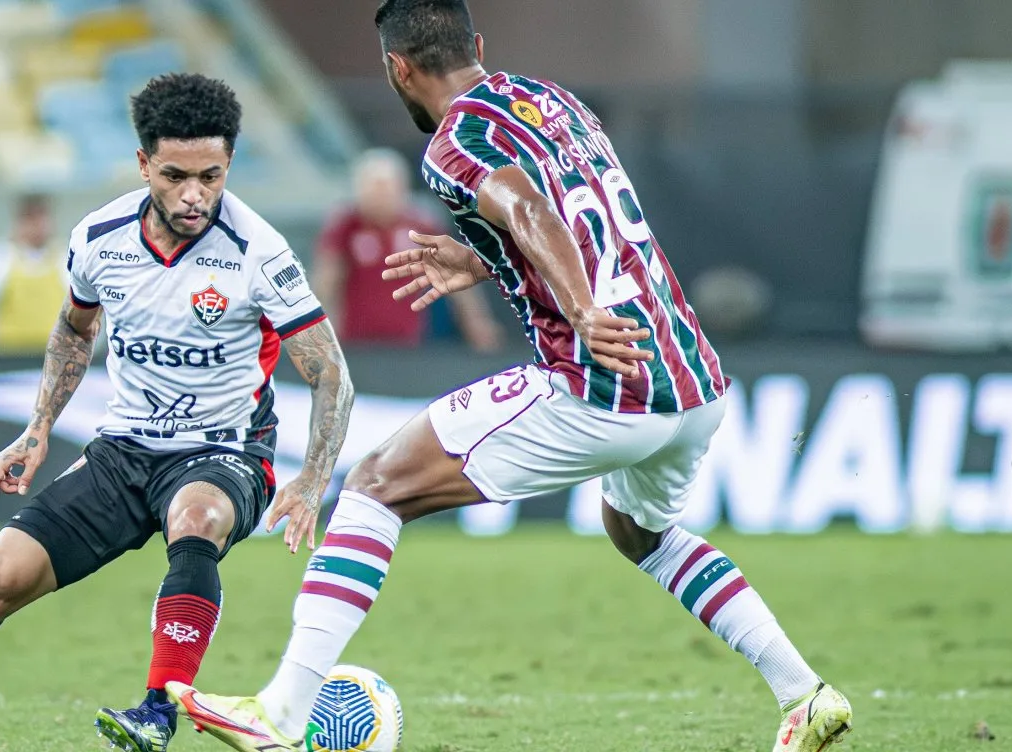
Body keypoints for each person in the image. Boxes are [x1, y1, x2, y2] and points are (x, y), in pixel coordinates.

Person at [169, 3, 853, 752]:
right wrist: (480, 257)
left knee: (375, 485)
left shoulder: (454, 142)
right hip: (691, 379)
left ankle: (282, 711)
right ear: (479, 47)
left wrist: (583, 309)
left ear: (398, 69)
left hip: (601, 381)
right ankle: (805, 693)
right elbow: (581, 214)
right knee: (640, 533)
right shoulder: (552, 99)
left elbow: (527, 207)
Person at [0, 73, 354, 752]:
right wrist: (39, 427)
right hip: (122, 453)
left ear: (229, 165)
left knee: (195, 520)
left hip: (224, 452)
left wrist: (311, 478)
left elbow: (330, 370)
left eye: (212, 175)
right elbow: (76, 329)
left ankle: (156, 713)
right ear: (142, 164)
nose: (195, 194)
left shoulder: (258, 251)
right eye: (176, 174)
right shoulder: (99, 238)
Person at [315, 148, 501, 352]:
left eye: (386, 190)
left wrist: (476, 322)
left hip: (407, 341)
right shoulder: (346, 226)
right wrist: (318, 328)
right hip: (355, 341)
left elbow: (453, 274)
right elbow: (328, 278)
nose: (380, 199)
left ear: (401, 190)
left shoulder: (421, 224)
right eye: (374, 191)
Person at [0, 193, 69, 354]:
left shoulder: (66, 257)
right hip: (8, 352)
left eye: (42, 218)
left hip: (54, 355)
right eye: (30, 219)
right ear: (19, 222)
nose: (38, 225)